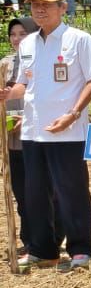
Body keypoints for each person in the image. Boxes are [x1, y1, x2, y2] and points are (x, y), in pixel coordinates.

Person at [7, 0, 91, 272]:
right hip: (33, 130)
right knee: (35, 193)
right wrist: (7, 94)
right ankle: (43, 250)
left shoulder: (80, 40)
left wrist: (73, 115)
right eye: (35, 5)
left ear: (63, 7)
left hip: (67, 130)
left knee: (72, 191)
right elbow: (24, 84)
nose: (39, 9)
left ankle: (80, 250)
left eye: (46, 4)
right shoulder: (27, 44)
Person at [1, 17, 38, 251]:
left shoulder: (39, 61)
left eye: (22, 34)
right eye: (13, 34)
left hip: (36, 136)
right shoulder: (4, 64)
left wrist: (27, 119)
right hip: (12, 139)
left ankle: (50, 237)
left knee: (41, 191)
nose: (17, 39)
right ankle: (29, 239)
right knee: (21, 192)